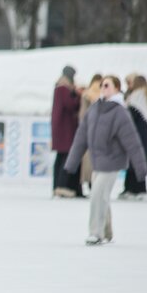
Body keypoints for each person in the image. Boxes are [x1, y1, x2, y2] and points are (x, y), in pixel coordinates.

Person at [64, 75, 147, 245]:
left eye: (107, 85)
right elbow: (81, 137)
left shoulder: (120, 112)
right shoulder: (95, 109)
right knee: (101, 196)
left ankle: (96, 232)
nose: (103, 88)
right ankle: (107, 232)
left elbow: (132, 141)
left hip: (113, 162)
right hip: (98, 162)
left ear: (117, 88)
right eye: (102, 85)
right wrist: (71, 162)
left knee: (97, 195)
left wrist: (140, 167)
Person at [120, 75, 147, 200]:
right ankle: (135, 188)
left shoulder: (136, 97)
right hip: (143, 132)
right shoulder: (146, 96)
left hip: (137, 133)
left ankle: (134, 188)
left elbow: (130, 115)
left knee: (134, 160)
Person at [52, 65, 83, 198]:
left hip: (61, 129)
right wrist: (78, 95)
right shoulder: (64, 88)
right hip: (66, 130)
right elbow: (70, 104)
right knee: (66, 158)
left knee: (61, 158)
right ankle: (63, 186)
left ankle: (59, 186)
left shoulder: (59, 87)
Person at [78, 74, 103, 191]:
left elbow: (82, 114)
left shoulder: (88, 95)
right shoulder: (94, 96)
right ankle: (93, 183)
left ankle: (91, 182)